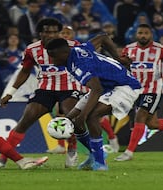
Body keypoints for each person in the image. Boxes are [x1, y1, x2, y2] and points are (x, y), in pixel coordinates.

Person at [0, 18, 121, 169]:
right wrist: (10, 93)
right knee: (24, 121)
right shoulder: (32, 49)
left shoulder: (73, 46)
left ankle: (74, 150)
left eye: (54, 32)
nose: (50, 35)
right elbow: (25, 71)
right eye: (46, 32)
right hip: (45, 89)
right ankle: (2, 159)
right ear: (40, 33)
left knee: (71, 119)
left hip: (70, 88)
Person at [45, 37, 142, 170]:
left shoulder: (80, 64)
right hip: (108, 87)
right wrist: (118, 58)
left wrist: (83, 116)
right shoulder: (78, 50)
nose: (51, 61)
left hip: (124, 86)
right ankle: (95, 154)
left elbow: (96, 89)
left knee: (91, 116)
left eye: (53, 56)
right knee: (72, 120)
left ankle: (101, 163)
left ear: (63, 54)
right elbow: (103, 38)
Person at [114, 24, 163, 162]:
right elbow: (122, 65)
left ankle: (129, 152)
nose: (143, 35)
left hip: (153, 89)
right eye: (140, 33)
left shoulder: (160, 49)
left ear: (151, 35)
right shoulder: (129, 49)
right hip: (136, 90)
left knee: (140, 116)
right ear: (136, 34)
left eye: (146, 33)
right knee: (152, 124)